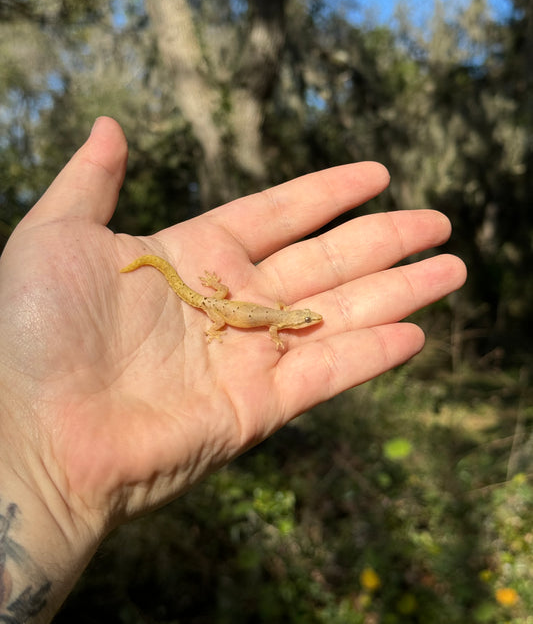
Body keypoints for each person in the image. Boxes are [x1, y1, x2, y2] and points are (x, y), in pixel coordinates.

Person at [0, 117, 466, 622]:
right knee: (188, 289)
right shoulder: (276, 327)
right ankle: (174, 282)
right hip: (220, 311)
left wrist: (36, 471)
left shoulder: (279, 322)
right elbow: (266, 329)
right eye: (308, 318)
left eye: (307, 320)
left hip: (223, 308)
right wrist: (221, 323)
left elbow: (269, 325)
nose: (310, 321)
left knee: (199, 295)